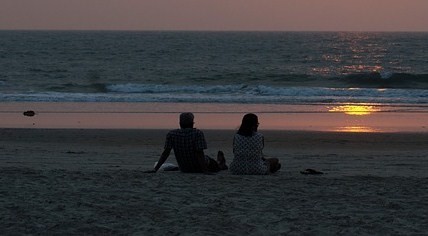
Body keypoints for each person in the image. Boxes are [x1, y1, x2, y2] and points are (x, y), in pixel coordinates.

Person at [146, 112, 228, 173]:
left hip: (184, 167)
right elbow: (199, 153)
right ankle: (220, 164)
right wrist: (204, 170)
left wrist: (156, 169)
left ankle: (219, 163)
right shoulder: (197, 133)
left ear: (180, 123)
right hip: (199, 167)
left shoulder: (172, 134)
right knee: (215, 164)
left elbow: (165, 153)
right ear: (192, 123)